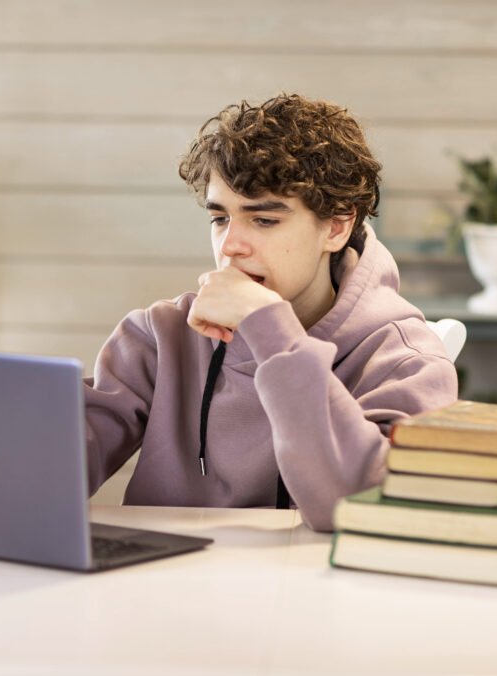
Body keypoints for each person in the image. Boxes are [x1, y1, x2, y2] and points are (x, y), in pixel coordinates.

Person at [83, 94, 458, 531]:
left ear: (336, 226)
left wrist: (271, 332)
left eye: (263, 220)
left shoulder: (404, 357)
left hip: (316, 595)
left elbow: (359, 508)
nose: (229, 246)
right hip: (161, 587)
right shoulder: (160, 336)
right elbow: (48, 468)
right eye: (220, 218)